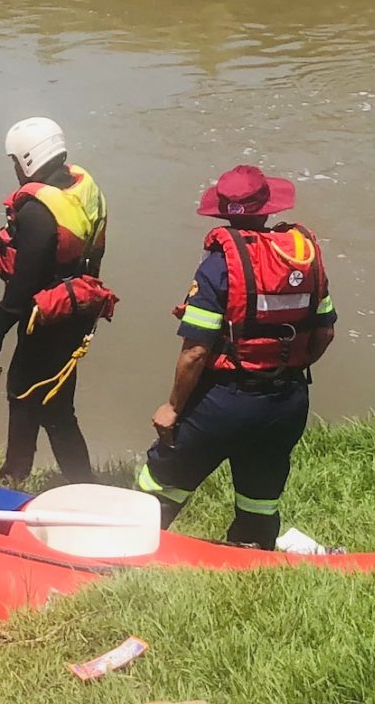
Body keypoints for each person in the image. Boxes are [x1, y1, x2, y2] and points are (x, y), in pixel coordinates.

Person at [136, 164, 335, 549]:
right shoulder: (304, 258)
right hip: (286, 402)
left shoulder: (219, 264)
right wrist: (288, 367)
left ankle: (125, 556)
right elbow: (325, 332)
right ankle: (251, 559)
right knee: (260, 499)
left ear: (223, 211)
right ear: (268, 208)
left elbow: (196, 351)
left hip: (222, 402)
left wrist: (173, 407)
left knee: (159, 484)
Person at [0, 117, 115, 485]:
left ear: (27, 159)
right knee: (56, 403)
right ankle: (83, 484)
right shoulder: (84, 186)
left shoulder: (38, 211)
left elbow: (23, 288)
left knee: (22, 392)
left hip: (47, 317)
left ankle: (12, 478)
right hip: (78, 310)